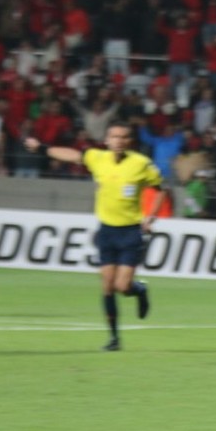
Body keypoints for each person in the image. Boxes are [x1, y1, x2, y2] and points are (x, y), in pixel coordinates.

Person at [24, 122, 164, 351]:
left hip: (130, 232)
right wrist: (41, 147)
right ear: (107, 140)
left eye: (123, 137)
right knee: (107, 286)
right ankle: (114, 339)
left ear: (129, 142)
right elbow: (72, 155)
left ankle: (139, 290)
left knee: (122, 286)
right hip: (107, 231)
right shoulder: (97, 158)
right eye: (114, 137)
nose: (118, 141)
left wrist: (151, 217)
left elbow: (159, 189)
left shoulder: (141, 164)